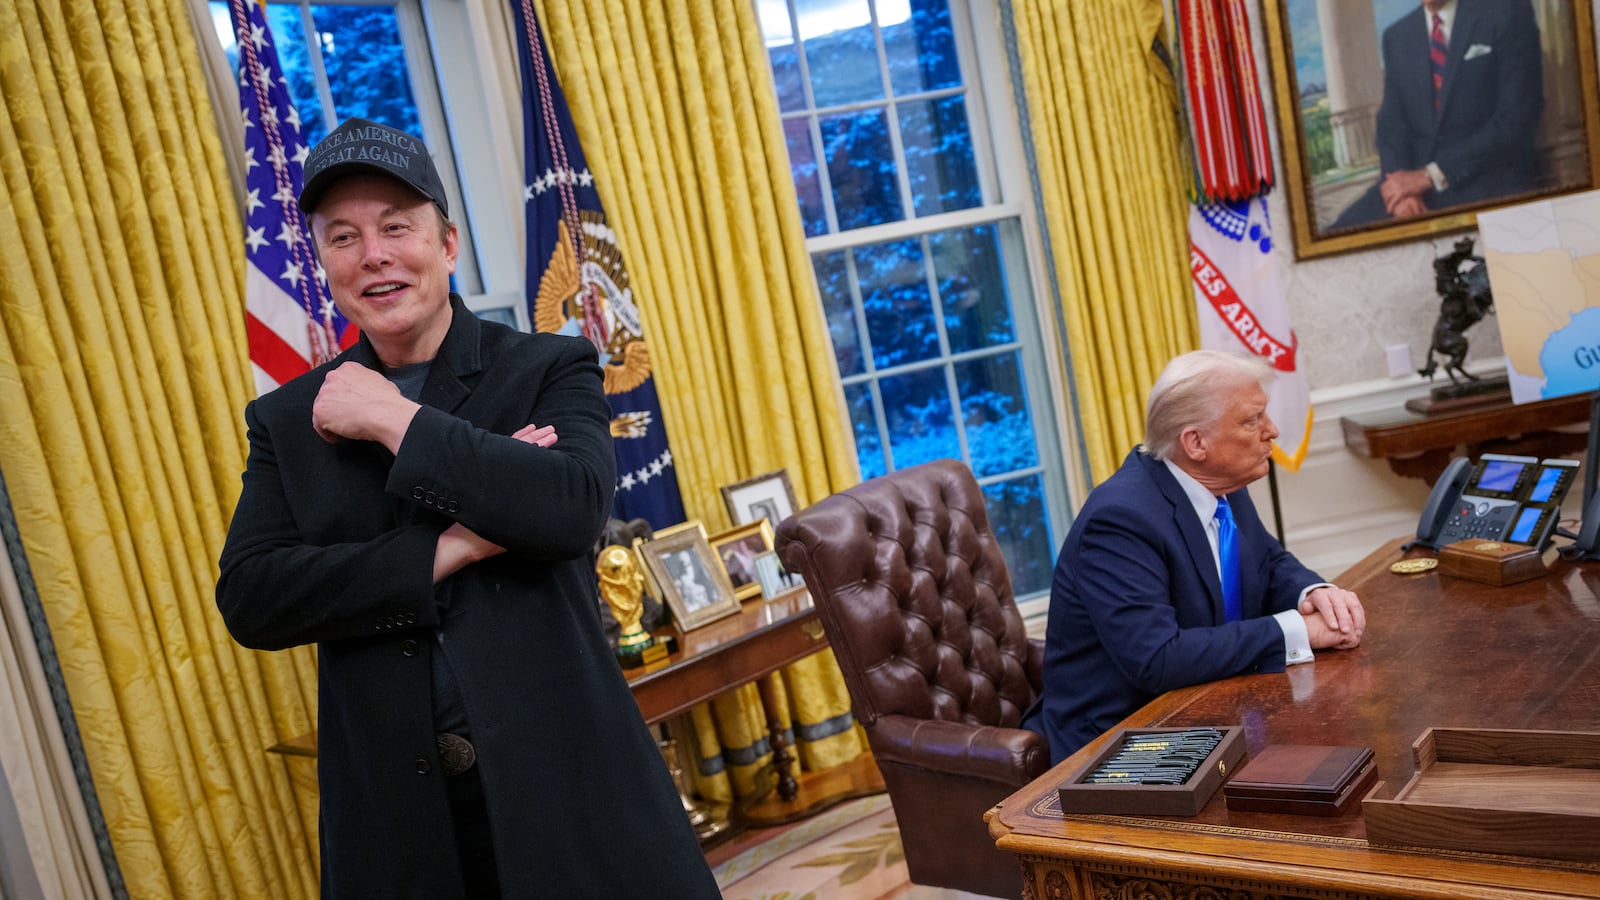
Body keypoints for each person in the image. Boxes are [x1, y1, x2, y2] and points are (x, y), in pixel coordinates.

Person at [215, 118, 719, 899]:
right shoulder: (288, 419)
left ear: (446, 244)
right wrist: (446, 548)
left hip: (571, 791)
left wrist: (392, 418)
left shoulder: (550, 366)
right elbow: (253, 597)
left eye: (395, 227)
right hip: (400, 821)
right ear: (322, 262)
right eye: (343, 236)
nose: (373, 254)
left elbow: (570, 510)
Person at [1020, 351, 1366, 763]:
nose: (1271, 431)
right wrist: (1299, 632)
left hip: (1214, 708)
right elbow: (1158, 658)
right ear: (1195, 442)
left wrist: (1313, 592)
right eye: (1251, 420)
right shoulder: (1120, 519)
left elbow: (1267, 562)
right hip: (1121, 743)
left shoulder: (1222, 483)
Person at [1329, 0, 1542, 230]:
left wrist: (1430, 175)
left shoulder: (1506, 12)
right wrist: (1402, 190)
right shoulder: (1397, 36)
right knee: (1333, 239)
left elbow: (1516, 118)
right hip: (1414, 187)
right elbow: (1391, 126)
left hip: (1485, 178)